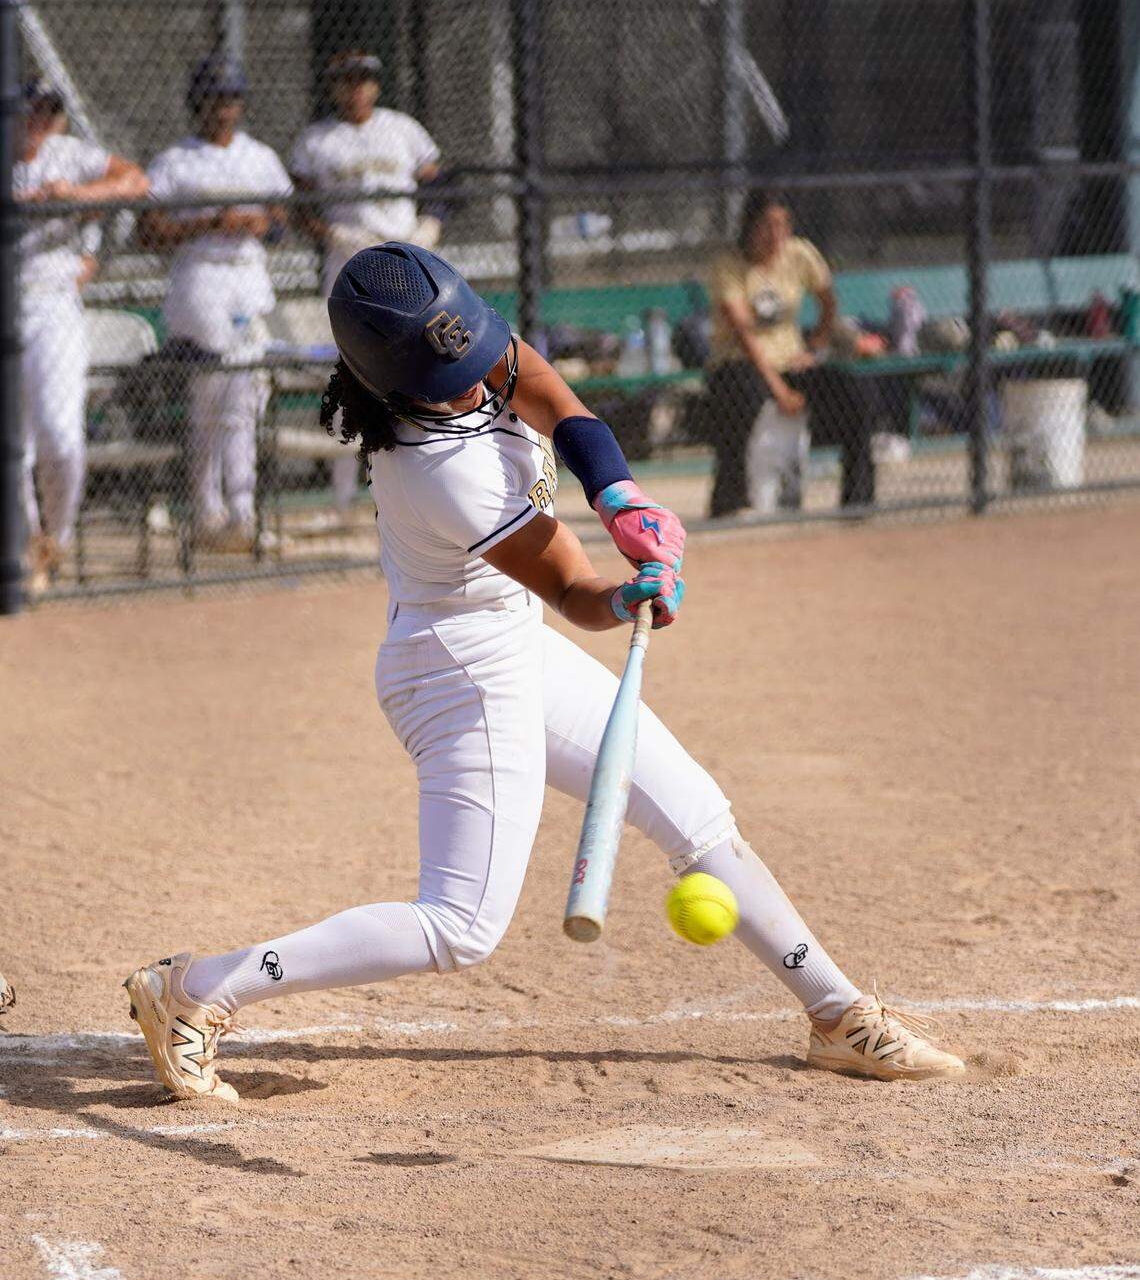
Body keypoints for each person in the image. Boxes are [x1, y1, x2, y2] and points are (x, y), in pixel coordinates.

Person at [124, 242, 964, 1102]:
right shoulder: (438, 471)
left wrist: (622, 499)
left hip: (511, 640)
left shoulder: (461, 349)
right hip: (458, 674)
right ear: (394, 381)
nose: (478, 376)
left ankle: (838, 1016)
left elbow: (559, 402)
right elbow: (570, 588)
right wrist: (629, 593)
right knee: (460, 928)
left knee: (697, 816)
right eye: (449, 370)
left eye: (473, 353)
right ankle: (195, 990)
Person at [140, 56, 293, 550]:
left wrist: (258, 224)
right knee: (210, 400)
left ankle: (241, 513)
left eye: (230, 98)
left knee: (244, 401)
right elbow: (148, 231)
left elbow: (285, 220)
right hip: (200, 277)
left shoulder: (260, 157)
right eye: (213, 98)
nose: (223, 108)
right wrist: (208, 222)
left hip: (247, 278)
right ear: (196, 103)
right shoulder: (175, 161)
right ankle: (207, 508)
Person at [291, 51, 442, 518]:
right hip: (348, 263)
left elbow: (439, 183)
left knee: (419, 364)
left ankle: (422, 491)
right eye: (347, 80)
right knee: (350, 372)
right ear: (333, 86)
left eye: (365, 80)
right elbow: (297, 207)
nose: (357, 88)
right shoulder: (317, 139)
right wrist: (333, 233)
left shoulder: (402, 128)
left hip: (406, 258)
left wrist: (431, 223)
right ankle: (342, 500)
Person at [16, 78, 147, 591]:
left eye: (49, 110)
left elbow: (136, 180)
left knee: (61, 436)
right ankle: (32, 548)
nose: (38, 118)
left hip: (52, 305)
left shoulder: (68, 153)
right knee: (11, 446)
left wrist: (76, 194)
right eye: (31, 108)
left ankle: (59, 536)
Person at [706, 191, 878, 516]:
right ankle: (732, 502)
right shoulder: (728, 266)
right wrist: (780, 390)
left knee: (857, 396)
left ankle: (858, 503)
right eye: (767, 225)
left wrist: (816, 347)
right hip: (739, 364)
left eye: (783, 225)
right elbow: (743, 335)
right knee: (743, 395)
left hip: (791, 361)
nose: (776, 235)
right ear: (749, 227)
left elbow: (828, 301)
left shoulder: (800, 254)